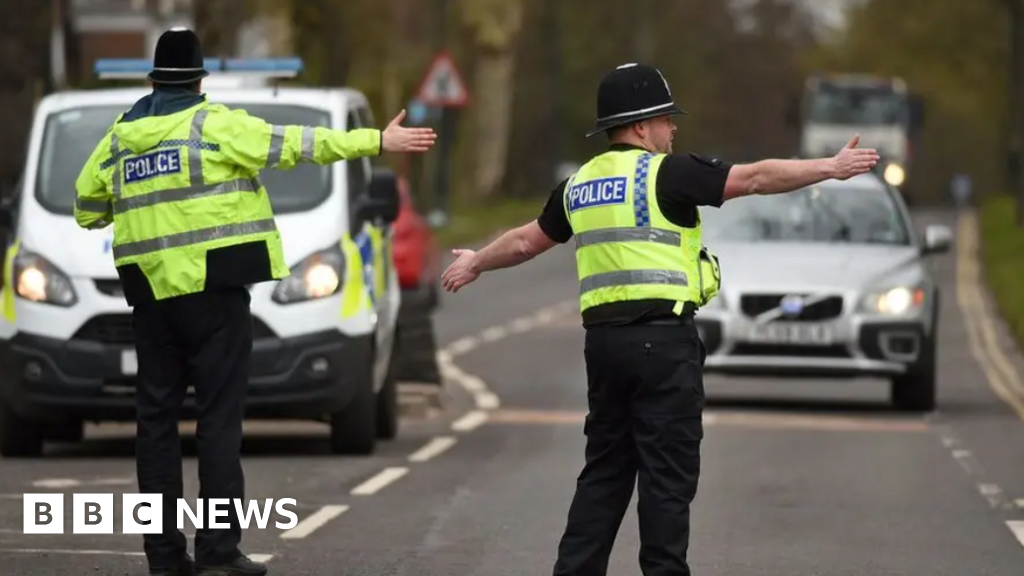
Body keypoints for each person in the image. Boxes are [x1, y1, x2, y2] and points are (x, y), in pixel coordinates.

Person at [440, 62, 878, 576]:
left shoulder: (578, 185)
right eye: (667, 119)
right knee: (666, 481)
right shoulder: (667, 173)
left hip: (604, 349)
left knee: (604, 474)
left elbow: (524, 242)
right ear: (641, 126)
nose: (673, 129)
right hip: (663, 347)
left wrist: (477, 261)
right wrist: (830, 167)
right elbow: (757, 178)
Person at [74, 28, 437, 576]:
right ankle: (218, 552)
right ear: (199, 81)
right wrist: (376, 142)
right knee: (218, 423)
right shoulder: (214, 125)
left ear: (154, 80)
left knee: (155, 428)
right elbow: (298, 145)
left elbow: (85, 206)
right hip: (215, 298)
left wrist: (131, 205)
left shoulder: (119, 140)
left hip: (151, 301)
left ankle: (164, 558)